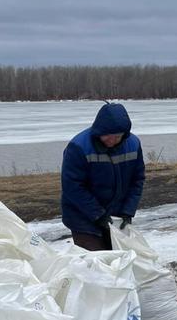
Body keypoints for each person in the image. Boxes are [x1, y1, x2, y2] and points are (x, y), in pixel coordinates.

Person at [61, 102, 145, 251]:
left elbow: (137, 180)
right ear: (99, 130)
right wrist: (98, 215)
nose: (112, 141)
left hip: (115, 216)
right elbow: (72, 186)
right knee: (97, 264)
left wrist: (128, 211)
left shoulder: (133, 144)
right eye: (107, 136)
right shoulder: (78, 147)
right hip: (83, 218)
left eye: (117, 136)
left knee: (119, 261)